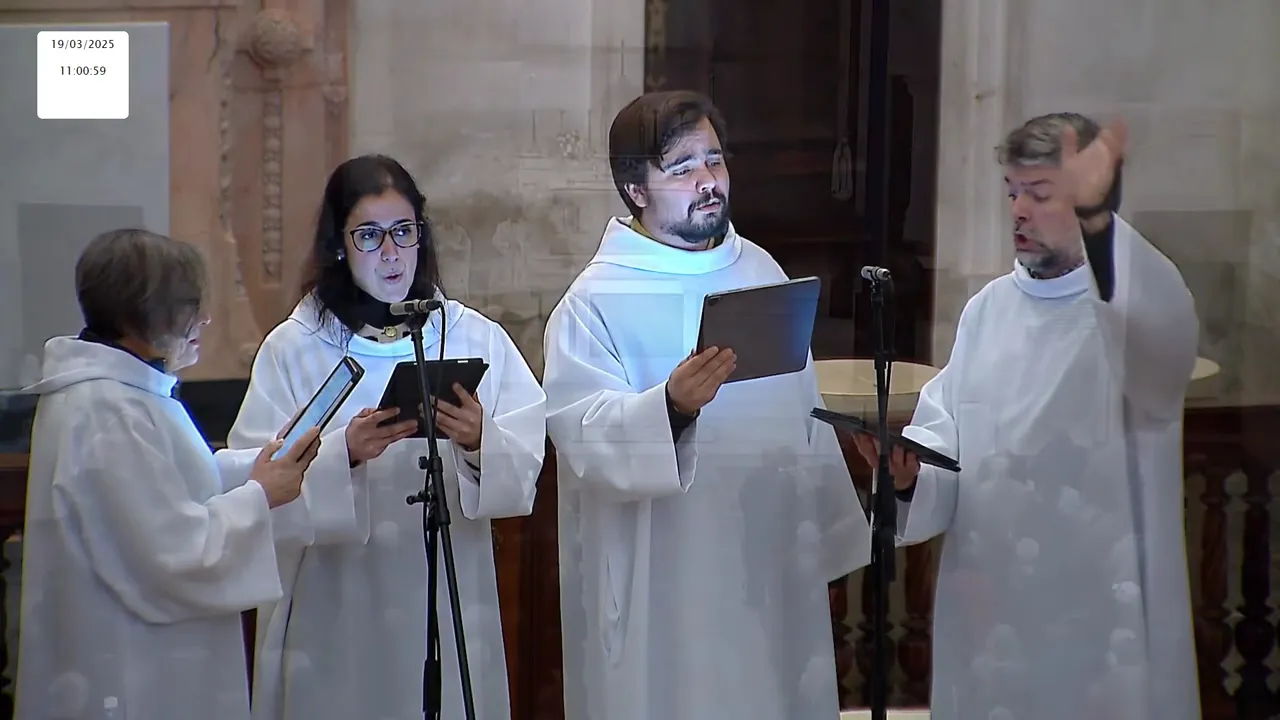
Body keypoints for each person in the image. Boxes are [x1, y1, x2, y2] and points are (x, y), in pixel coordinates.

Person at [851, 113, 1200, 719]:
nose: (1017, 211)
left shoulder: (1130, 309)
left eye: (1039, 194)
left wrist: (1100, 224)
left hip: (1100, 627)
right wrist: (910, 476)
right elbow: (948, 439)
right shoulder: (987, 311)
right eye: (1012, 192)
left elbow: (1164, 340)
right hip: (994, 621)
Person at [542, 90, 872, 720]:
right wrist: (670, 409)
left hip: (766, 565)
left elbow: (803, 414)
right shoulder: (594, 301)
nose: (708, 182)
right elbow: (580, 434)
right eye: (682, 167)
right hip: (664, 585)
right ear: (635, 189)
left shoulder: (760, 270)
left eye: (714, 161)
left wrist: (818, 544)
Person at [224, 154, 546, 720]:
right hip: (337, 604)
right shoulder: (294, 348)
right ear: (339, 245)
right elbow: (252, 483)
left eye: (403, 231)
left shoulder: (473, 337)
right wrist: (343, 455)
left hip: (446, 590)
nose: (391, 252)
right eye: (369, 235)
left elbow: (525, 466)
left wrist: (479, 442)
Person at [15, 228, 319, 720]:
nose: (205, 319)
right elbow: (172, 554)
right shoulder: (106, 409)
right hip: (130, 673)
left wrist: (258, 468)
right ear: (142, 312)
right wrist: (260, 496)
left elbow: (177, 484)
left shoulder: (124, 391)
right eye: (189, 306)